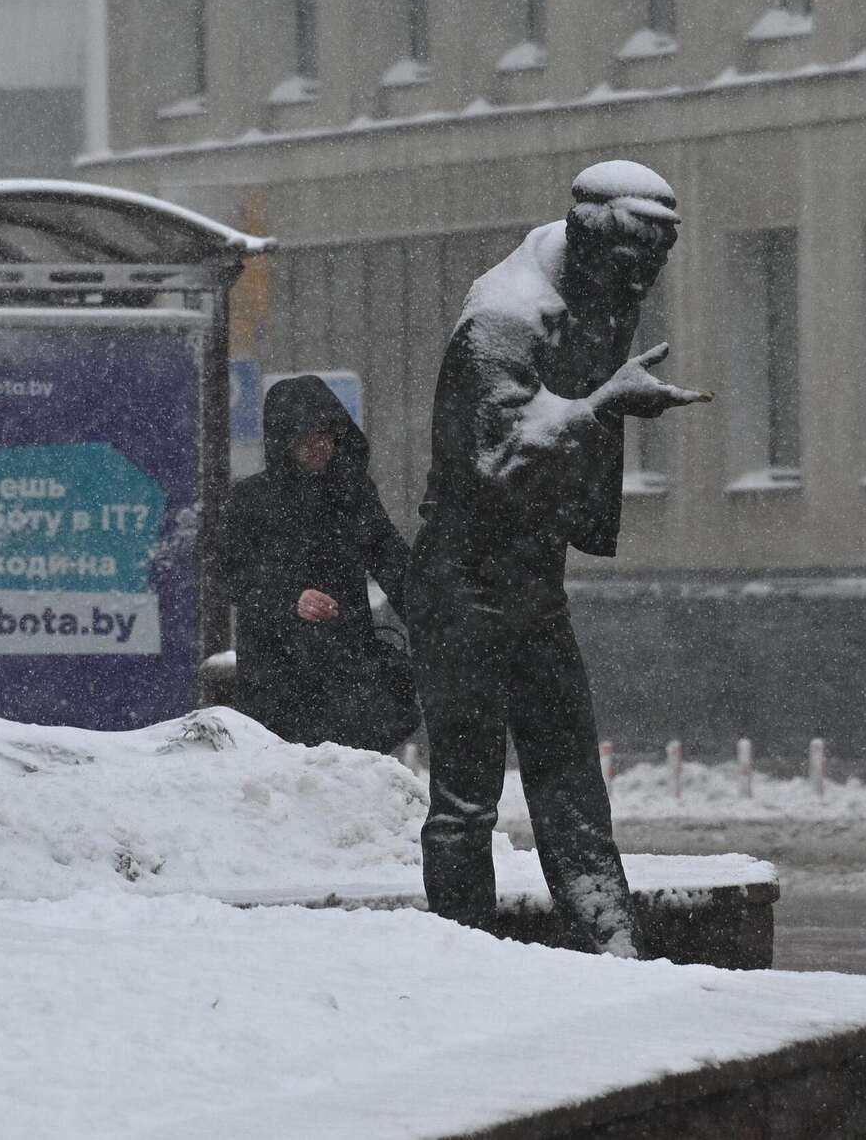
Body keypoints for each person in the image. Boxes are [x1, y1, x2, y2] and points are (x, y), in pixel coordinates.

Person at [407, 160, 711, 958]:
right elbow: (495, 460)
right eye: (632, 263)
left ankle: (612, 945)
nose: (642, 281)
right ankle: (461, 955)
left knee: (572, 785)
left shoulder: (596, 295)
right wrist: (606, 404)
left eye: (654, 266)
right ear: (587, 241)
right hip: (463, 585)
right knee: (466, 800)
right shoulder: (504, 319)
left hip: (532, 584)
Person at [215, 375, 412, 751]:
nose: (320, 445)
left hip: (348, 675)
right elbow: (228, 574)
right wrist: (291, 598)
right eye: (307, 436)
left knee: (346, 776)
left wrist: (432, 614)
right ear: (284, 440)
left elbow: (390, 557)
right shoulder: (250, 500)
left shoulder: (352, 493)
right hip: (276, 680)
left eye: (327, 434)